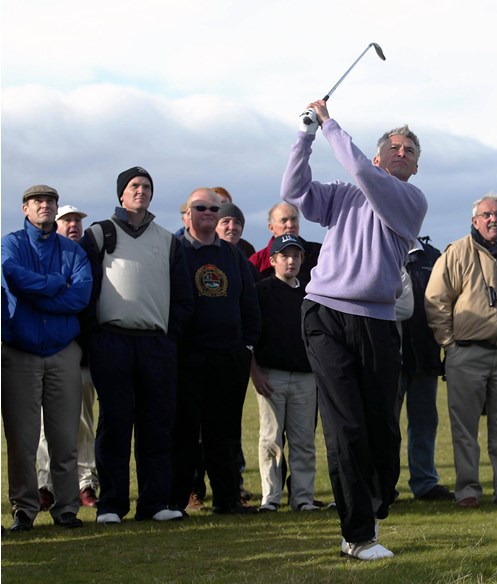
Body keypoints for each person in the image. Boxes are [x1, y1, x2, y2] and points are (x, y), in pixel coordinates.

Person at [280, 99, 427, 560]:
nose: (402, 152)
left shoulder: (408, 200)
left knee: (381, 430)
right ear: (380, 155)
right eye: (395, 147)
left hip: (378, 322)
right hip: (324, 313)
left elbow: (365, 173)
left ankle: (376, 501)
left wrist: (329, 124)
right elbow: (294, 189)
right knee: (344, 427)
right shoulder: (345, 193)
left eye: (410, 150)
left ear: (415, 167)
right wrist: (304, 136)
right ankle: (358, 534)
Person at [81, 166, 193, 524]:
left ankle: (154, 503)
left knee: (157, 425)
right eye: (134, 186)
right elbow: (87, 291)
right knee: (114, 423)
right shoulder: (100, 234)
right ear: (121, 194)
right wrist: (94, 337)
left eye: (146, 186)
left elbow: (183, 298)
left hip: (156, 345)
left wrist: (167, 333)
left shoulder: (168, 240)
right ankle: (111, 504)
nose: (141, 191)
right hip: (111, 341)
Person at [425, 193, 497, 510]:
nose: (494, 219)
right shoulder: (456, 252)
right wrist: (449, 344)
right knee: (465, 429)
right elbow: (436, 300)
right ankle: (468, 490)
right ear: (475, 220)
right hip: (467, 353)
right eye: (486, 214)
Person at [2, 185, 92, 532]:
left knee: (64, 438)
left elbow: (80, 296)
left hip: (62, 352)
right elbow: (13, 276)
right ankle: (24, 510)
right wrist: (57, 283)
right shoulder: (11, 244)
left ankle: (66, 508)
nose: (45, 205)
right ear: (25, 208)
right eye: (38, 201)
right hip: (20, 353)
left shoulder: (72, 250)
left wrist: (37, 295)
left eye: (50, 201)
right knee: (22, 441)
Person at [172, 188, 261, 515]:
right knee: (184, 431)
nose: (209, 212)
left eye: (215, 208)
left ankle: (227, 500)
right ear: (188, 213)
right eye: (201, 207)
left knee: (224, 432)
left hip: (229, 357)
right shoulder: (176, 249)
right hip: (188, 357)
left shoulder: (232, 254)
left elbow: (249, 303)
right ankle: (176, 501)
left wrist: (247, 345)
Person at [251, 233, 323, 513]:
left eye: (296, 256)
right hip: (272, 376)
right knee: (270, 439)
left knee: (304, 441)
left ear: (303, 259)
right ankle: (270, 498)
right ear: (273, 260)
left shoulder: (312, 292)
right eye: (285, 256)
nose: (290, 261)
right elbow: (252, 337)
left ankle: (302, 498)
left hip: (306, 377)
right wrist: (255, 371)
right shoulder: (262, 290)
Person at [35, 204, 100, 510]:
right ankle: (45, 485)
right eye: (67, 220)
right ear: (55, 225)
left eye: (77, 220)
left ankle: (86, 482)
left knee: (84, 422)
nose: (73, 225)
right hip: (51, 350)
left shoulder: (90, 257)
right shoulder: (45, 258)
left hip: (84, 354)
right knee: (50, 424)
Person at [395, 236, 454, 501]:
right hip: (390, 358)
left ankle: (425, 481)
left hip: (426, 354)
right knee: (387, 425)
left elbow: (448, 301)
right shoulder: (381, 248)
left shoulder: (432, 256)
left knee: (424, 422)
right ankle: (384, 484)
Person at [249, 201, 320, 284]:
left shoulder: (318, 253)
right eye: (284, 220)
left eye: (294, 219)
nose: (290, 225)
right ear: (271, 228)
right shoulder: (257, 260)